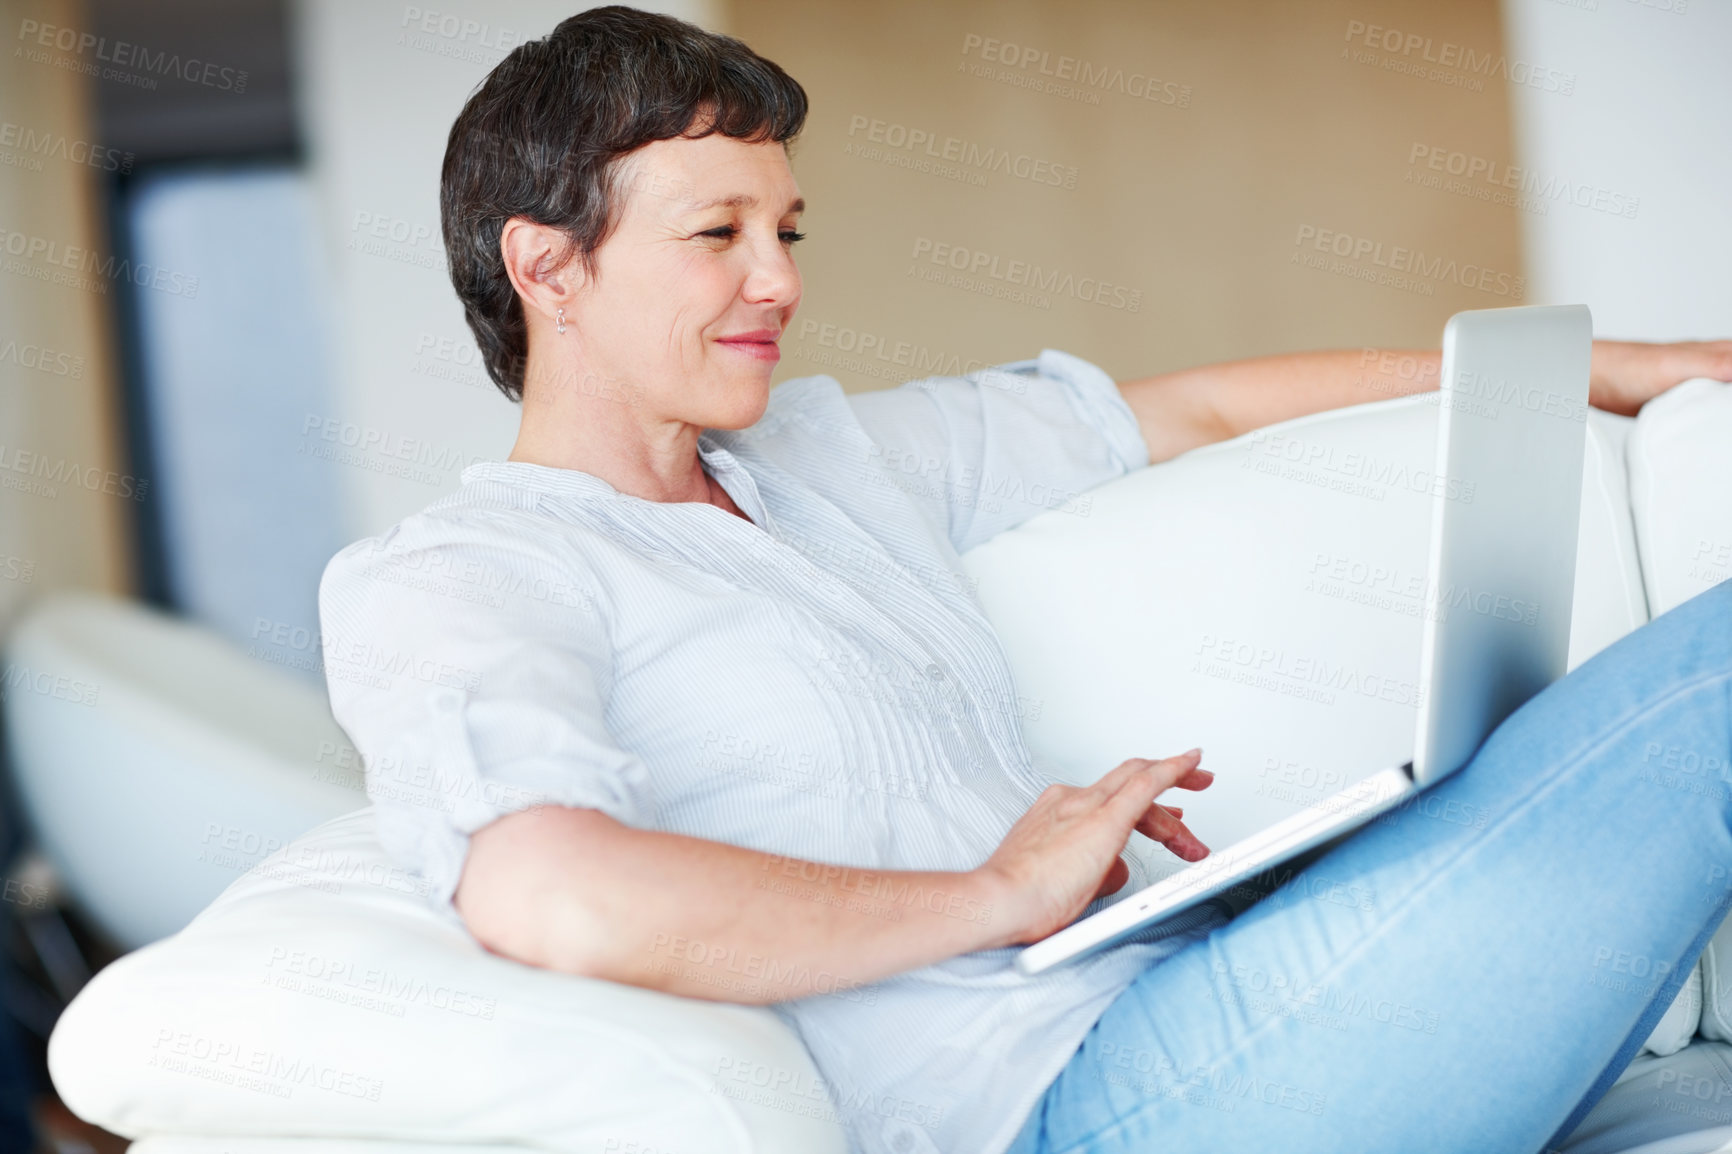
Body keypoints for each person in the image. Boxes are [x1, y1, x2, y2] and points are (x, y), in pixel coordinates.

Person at [316, 8, 1732, 1153]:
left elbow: (1197, 411)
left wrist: (1634, 373)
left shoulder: (821, 455)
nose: (780, 280)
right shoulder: (463, 573)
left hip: (1185, 1000)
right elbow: (553, 891)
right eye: (717, 234)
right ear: (546, 265)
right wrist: (999, 887)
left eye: (787, 230)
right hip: (1070, 1109)